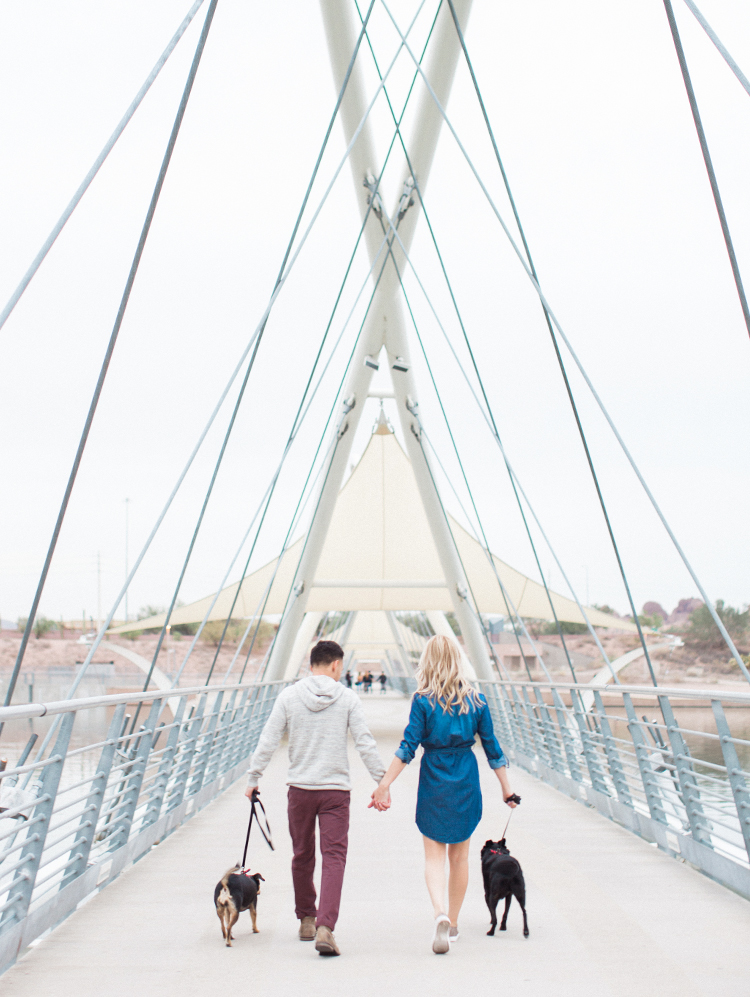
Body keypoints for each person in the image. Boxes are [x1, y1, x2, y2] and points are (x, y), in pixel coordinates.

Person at [370, 635, 517, 955]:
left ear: (428, 662)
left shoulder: (423, 701)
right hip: (465, 777)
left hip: (434, 777)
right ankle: (452, 923)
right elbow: (492, 748)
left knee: (434, 856)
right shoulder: (477, 701)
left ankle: (438, 911)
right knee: (459, 856)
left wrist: (385, 784)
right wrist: (507, 789)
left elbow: (408, 746)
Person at [246, 640, 385, 957]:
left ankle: (306, 919)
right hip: (335, 791)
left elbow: (268, 739)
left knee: (302, 854)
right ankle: (326, 926)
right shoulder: (348, 698)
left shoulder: (289, 696)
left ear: (312, 665)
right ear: (336, 665)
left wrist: (254, 778)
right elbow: (365, 743)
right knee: (334, 857)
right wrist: (382, 782)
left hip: (300, 790)